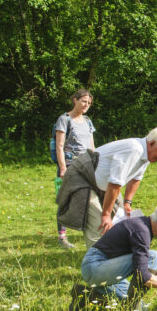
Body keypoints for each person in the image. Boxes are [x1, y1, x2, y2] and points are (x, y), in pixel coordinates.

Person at [57, 126, 157, 249]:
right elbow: (115, 183)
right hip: (82, 178)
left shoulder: (146, 154)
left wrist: (127, 202)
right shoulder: (134, 149)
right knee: (99, 222)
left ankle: (113, 252)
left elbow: (136, 179)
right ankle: (95, 261)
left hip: (103, 185)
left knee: (121, 217)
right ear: (151, 143)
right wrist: (106, 215)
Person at [68, 202, 157, 311]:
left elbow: (140, 264)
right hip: (96, 266)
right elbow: (142, 275)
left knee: (137, 303)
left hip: (97, 269)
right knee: (153, 256)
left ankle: (85, 296)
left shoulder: (142, 226)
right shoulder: (142, 231)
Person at [54, 89, 96, 249]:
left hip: (87, 165)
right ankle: (62, 237)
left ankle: (88, 232)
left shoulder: (87, 121)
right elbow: (59, 145)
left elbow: (92, 145)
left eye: (89, 103)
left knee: (88, 199)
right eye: (84, 101)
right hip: (70, 166)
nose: (86, 105)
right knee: (65, 200)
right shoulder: (64, 120)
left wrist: (95, 162)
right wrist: (63, 168)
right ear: (75, 100)